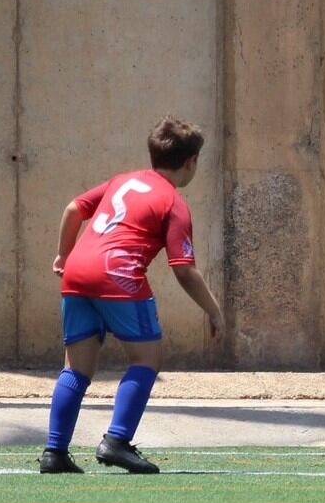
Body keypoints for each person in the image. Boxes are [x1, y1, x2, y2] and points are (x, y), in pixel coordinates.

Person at [41, 116, 225, 474]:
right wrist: (214, 310)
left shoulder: (123, 180)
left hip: (77, 273)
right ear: (191, 162)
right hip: (118, 276)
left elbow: (74, 209)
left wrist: (64, 254)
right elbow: (183, 269)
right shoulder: (174, 203)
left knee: (76, 368)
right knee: (146, 359)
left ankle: (55, 451)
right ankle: (116, 441)